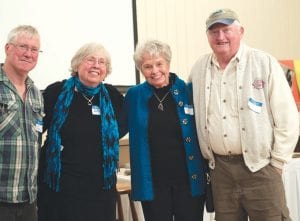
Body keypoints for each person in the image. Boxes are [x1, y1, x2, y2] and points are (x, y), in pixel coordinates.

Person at [189, 8, 299, 221]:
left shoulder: (264, 63)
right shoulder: (199, 68)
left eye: (226, 30)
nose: (220, 37)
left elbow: (288, 119)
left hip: (261, 168)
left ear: (241, 31)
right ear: (207, 36)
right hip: (220, 172)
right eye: (214, 32)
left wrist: (276, 163)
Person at [120, 40, 206, 221]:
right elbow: (116, 130)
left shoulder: (187, 91)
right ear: (141, 70)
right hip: (153, 183)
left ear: (168, 63)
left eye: (159, 64)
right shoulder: (134, 95)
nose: (154, 71)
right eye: (147, 66)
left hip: (188, 180)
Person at [37, 42, 124, 221]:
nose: (96, 65)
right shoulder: (57, 92)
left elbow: (120, 129)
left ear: (106, 70)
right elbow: (35, 130)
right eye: (90, 60)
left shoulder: (113, 97)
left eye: (102, 62)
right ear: (77, 65)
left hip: (100, 188)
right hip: (60, 187)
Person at [0, 25, 43, 221]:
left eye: (34, 50)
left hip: (28, 201)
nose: (29, 54)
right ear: (8, 48)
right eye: (23, 47)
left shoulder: (35, 93)